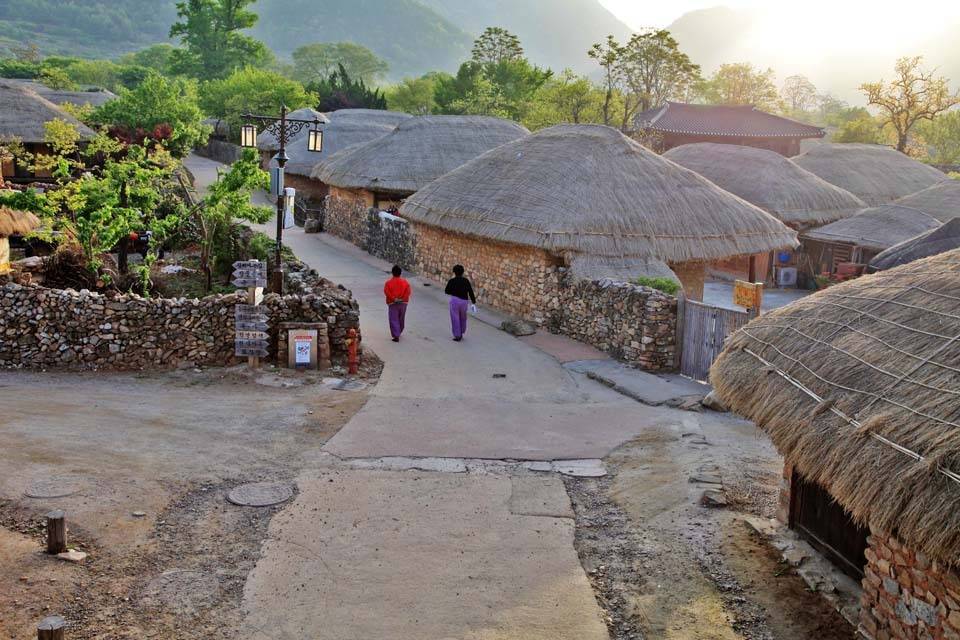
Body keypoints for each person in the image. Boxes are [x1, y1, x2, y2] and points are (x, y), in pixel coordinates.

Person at [444, 264, 477, 342]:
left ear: (454, 272)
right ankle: (462, 331)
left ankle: (457, 335)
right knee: (463, 317)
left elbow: (447, 291)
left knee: (455, 317)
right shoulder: (466, 281)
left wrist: (454, 291)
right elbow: (470, 291)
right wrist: (473, 302)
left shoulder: (452, 281)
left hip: (455, 300)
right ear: (462, 272)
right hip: (464, 302)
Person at [383, 265, 411, 342]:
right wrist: (402, 298)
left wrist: (394, 298)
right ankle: (399, 330)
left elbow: (387, 292)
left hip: (393, 303)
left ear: (392, 273)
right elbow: (408, 292)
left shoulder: (388, 283)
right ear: (400, 273)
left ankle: (396, 335)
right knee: (401, 318)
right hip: (403, 303)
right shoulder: (405, 282)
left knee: (393, 319)